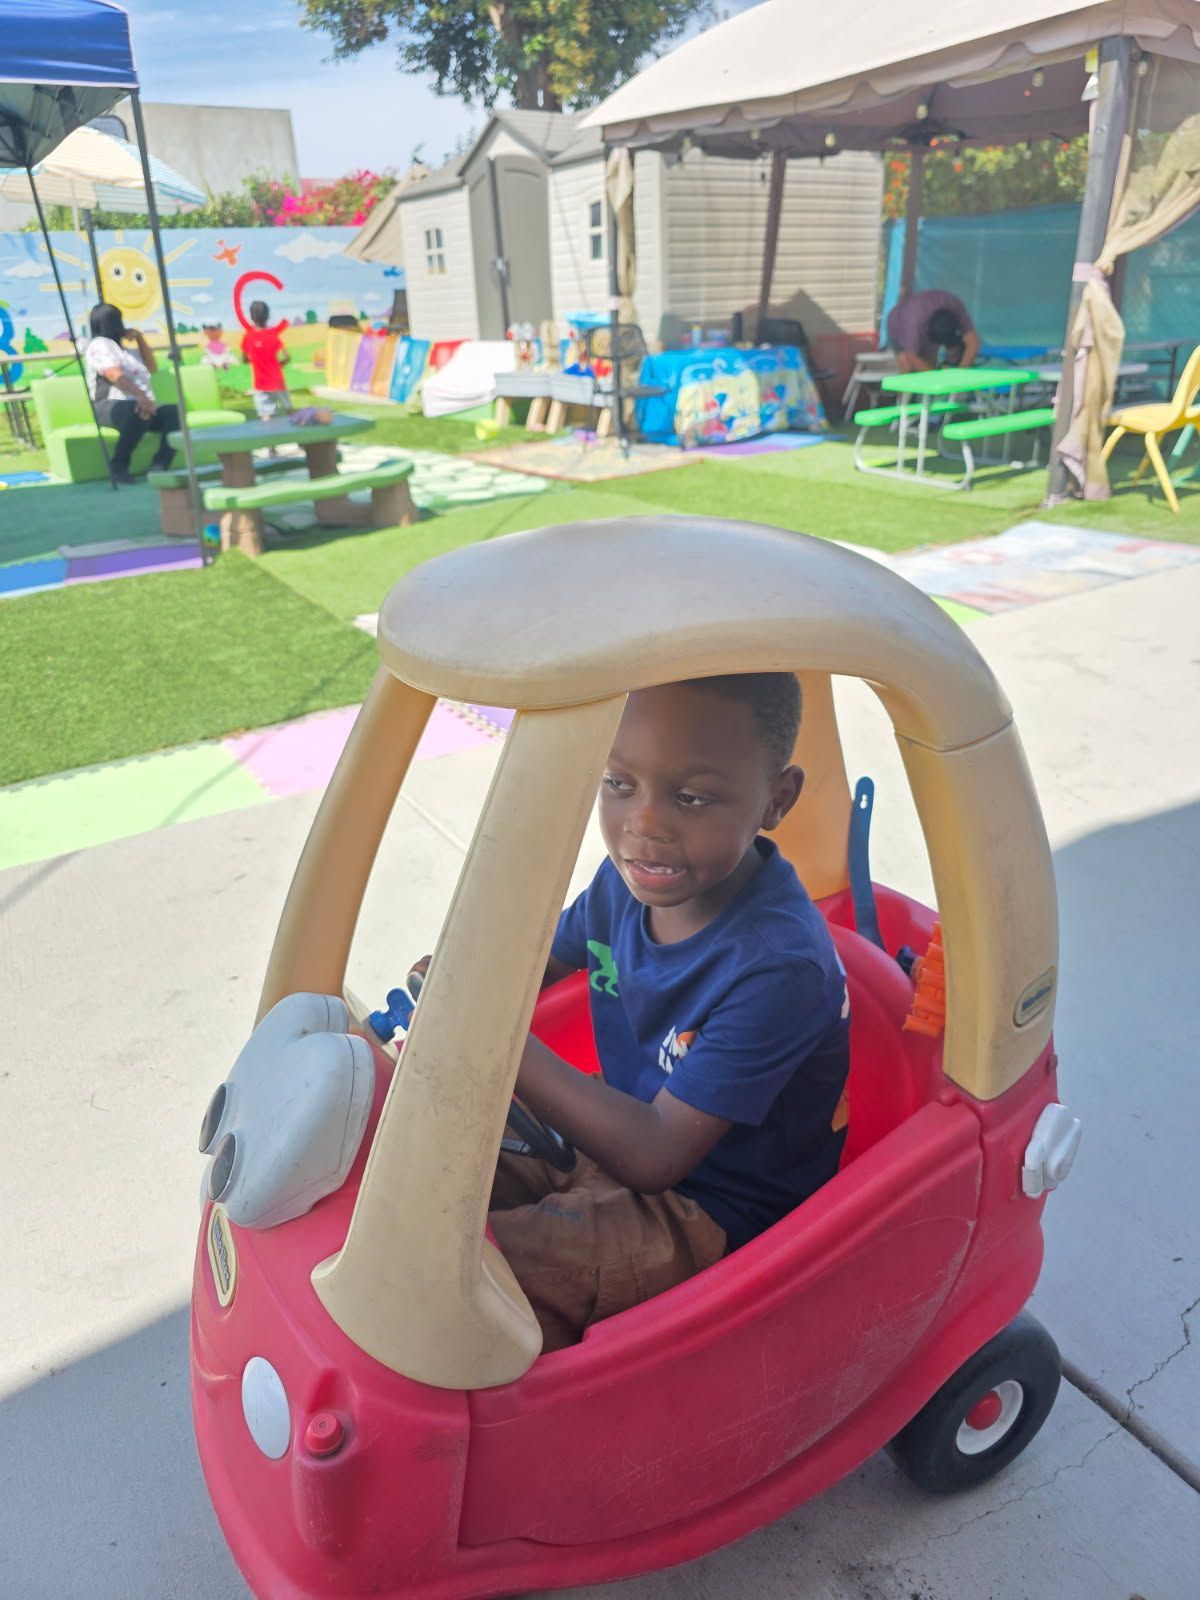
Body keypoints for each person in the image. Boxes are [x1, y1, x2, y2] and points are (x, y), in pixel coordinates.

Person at [412, 673, 851, 1352]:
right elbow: (531, 968)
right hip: (611, 1134)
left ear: (777, 799)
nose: (643, 825)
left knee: (468, 1276)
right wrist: (464, 982)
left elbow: (654, 1156)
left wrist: (493, 1036)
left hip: (711, 1212)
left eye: (692, 797)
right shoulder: (623, 885)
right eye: (619, 784)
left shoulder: (779, 967)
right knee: (427, 1167)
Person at [84, 302, 178, 485]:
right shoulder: (100, 345)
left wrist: (140, 339)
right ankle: (118, 466)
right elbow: (114, 375)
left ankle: (160, 463)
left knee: (174, 413)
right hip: (108, 405)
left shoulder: (124, 350)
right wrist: (141, 397)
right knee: (136, 411)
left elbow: (152, 367)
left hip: (139, 404)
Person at [886, 288, 980, 374]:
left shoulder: (956, 307)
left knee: (929, 362)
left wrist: (960, 372)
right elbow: (911, 356)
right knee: (907, 366)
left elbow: (973, 342)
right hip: (897, 324)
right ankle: (904, 392)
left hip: (924, 317)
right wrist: (936, 377)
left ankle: (926, 389)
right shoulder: (912, 323)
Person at [241, 299, 291, 421]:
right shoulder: (273, 336)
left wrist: (256, 360)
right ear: (268, 316)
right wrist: (279, 365)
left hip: (260, 383)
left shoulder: (248, 337)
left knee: (266, 414)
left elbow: (244, 359)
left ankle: (270, 437)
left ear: (251, 317)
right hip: (277, 381)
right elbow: (286, 356)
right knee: (288, 411)